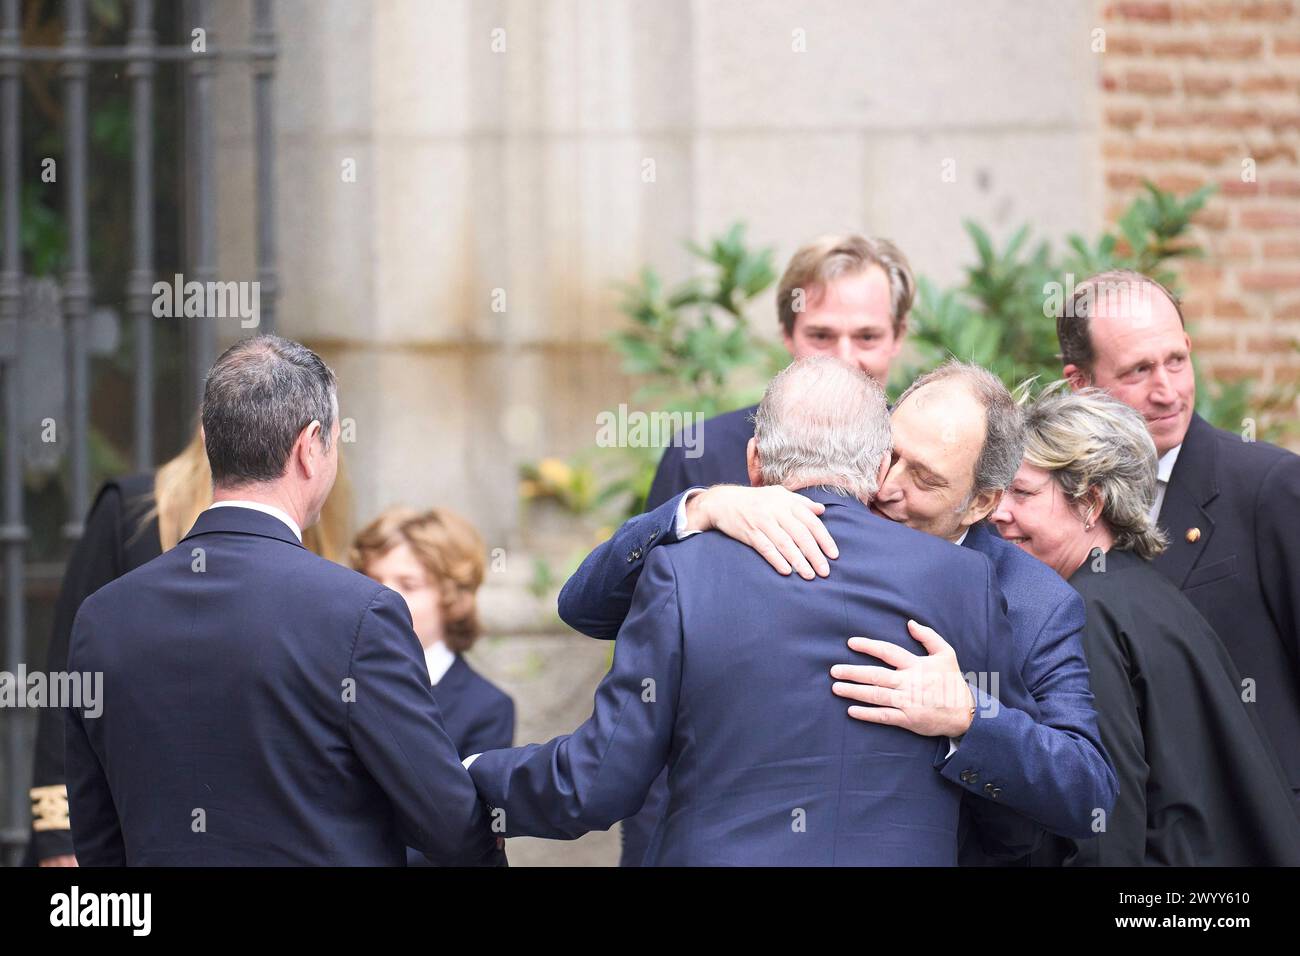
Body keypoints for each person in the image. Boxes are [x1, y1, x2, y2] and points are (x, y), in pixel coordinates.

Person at [467, 357, 1035, 865]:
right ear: (878, 464)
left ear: (753, 460)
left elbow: (595, 785)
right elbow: (1015, 814)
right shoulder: (963, 580)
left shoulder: (685, 573)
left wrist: (474, 778)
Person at [64, 335, 500, 866]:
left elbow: (95, 838)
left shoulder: (103, 618)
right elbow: (449, 824)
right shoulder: (360, 615)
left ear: (209, 440)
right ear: (309, 446)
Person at [621, 233, 916, 864]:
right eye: (821, 335)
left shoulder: (929, 458)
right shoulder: (704, 453)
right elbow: (647, 663)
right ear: (787, 334)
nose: (843, 357)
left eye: (866, 336)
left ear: (899, 336)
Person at [992, 387, 1300, 866]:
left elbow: (1104, 819)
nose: (998, 513)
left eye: (1024, 493)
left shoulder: (1086, 611)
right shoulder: (1147, 592)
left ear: (1091, 502)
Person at [24, 426, 351, 867]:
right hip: (140, 804)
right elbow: (69, 678)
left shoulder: (313, 510)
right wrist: (58, 832)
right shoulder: (134, 509)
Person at [1059, 269, 1300, 807]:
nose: (1166, 391)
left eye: (1176, 360)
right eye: (1138, 371)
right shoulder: (1058, 503)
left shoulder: (1270, 487)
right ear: (1080, 383)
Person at [350, 506, 515, 866]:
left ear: (451, 597)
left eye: (408, 585)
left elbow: (466, 832)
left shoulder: (486, 707)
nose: (384, 598)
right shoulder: (342, 681)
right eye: (374, 580)